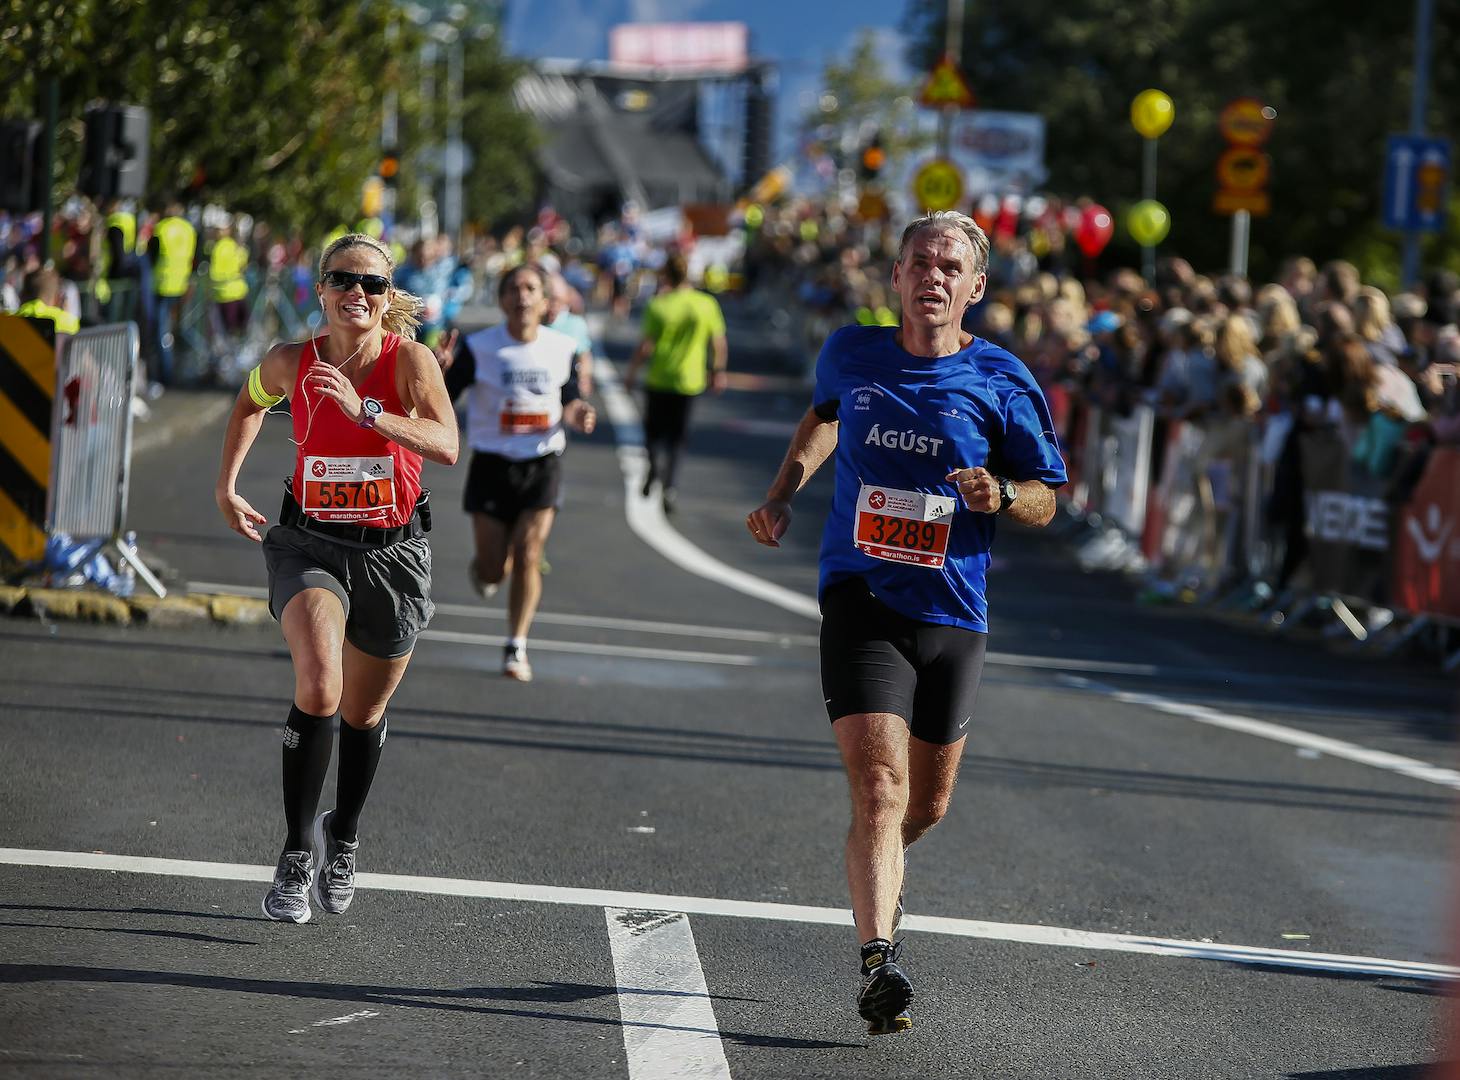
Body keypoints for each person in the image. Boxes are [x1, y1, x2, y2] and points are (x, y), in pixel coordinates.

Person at [745, 210, 1066, 1035]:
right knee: (881, 790)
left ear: (977, 287)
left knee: (923, 807)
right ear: (894, 276)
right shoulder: (852, 351)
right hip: (861, 596)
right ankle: (877, 961)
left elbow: (1048, 498)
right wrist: (783, 492)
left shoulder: (1003, 379)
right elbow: (823, 416)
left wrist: (1001, 493)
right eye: (920, 261)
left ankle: (881, 876)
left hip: (954, 609)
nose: (934, 276)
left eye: (951, 266)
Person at [214, 232, 458, 923]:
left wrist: (367, 411)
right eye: (343, 280)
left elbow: (446, 443)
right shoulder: (291, 362)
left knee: (364, 711)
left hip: (394, 555)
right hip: (310, 545)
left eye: (372, 284)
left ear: (387, 298)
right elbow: (248, 406)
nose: (357, 293)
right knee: (320, 685)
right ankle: (295, 852)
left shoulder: (408, 362)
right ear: (319, 290)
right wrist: (227, 487)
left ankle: (340, 833)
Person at [439, 262, 596, 682]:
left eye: (530, 288)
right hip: (491, 463)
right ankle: (488, 569)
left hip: (541, 463)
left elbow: (571, 397)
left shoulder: (562, 347)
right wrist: (438, 371)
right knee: (495, 568)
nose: (522, 295)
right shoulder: (479, 348)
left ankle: (516, 646)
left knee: (530, 553)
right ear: (502, 299)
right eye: (513, 288)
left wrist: (579, 413)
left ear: (545, 301)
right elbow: (442, 400)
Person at [624, 252, 728, 514]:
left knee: (653, 433)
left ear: (666, 275)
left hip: (659, 377)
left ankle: (654, 466)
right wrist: (718, 371)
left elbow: (646, 346)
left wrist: (632, 373)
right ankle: (670, 485)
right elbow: (718, 342)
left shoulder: (658, 305)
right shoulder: (706, 304)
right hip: (690, 380)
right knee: (678, 438)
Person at [149, 201, 197, 391]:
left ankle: (166, 375)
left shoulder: (161, 228)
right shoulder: (188, 229)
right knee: (176, 329)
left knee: (162, 331)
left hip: (162, 286)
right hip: (182, 285)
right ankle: (177, 369)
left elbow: (151, 256)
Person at [544, 270, 595, 397]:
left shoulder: (575, 324)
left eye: (558, 301)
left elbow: (584, 355)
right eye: (549, 300)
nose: (553, 306)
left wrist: (585, 378)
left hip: (567, 388)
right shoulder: (531, 324)